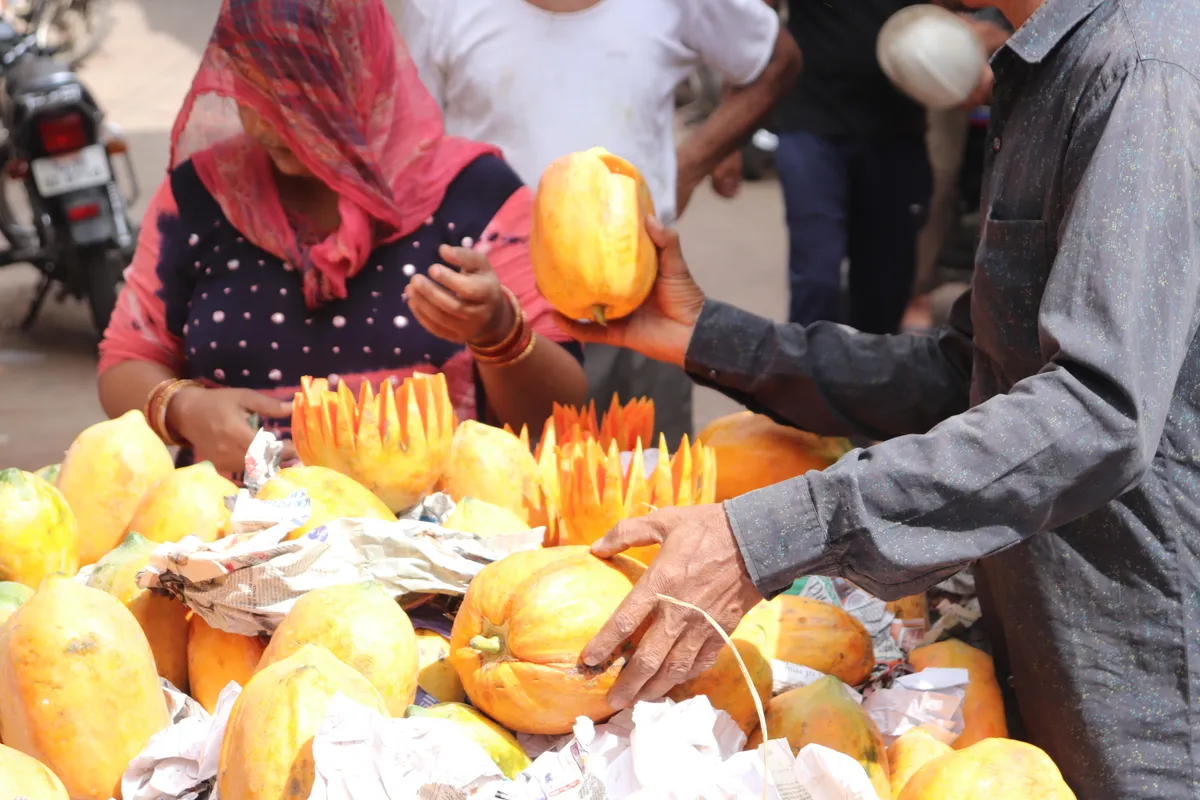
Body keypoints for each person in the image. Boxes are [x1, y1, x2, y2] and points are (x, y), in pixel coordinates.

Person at [559, 0, 1200, 795]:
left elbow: (1094, 411)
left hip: (1146, 688)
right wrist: (709, 337)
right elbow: (968, 376)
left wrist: (773, 533)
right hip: (1048, 652)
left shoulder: (1141, 73)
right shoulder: (1056, 64)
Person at [97, 0, 588, 476]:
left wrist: (499, 331)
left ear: (365, 72)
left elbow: (556, 413)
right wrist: (182, 409)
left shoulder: (474, 194)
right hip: (232, 525)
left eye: (295, 93)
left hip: (439, 525)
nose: (265, 125)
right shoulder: (201, 197)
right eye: (250, 89)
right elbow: (126, 358)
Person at [397, 0, 800, 447]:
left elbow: (775, 60)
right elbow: (411, 135)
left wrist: (690, 165)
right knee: (513, 475)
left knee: (647, 471)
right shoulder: (435, 7)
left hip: (637, 302)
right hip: (494, 304)